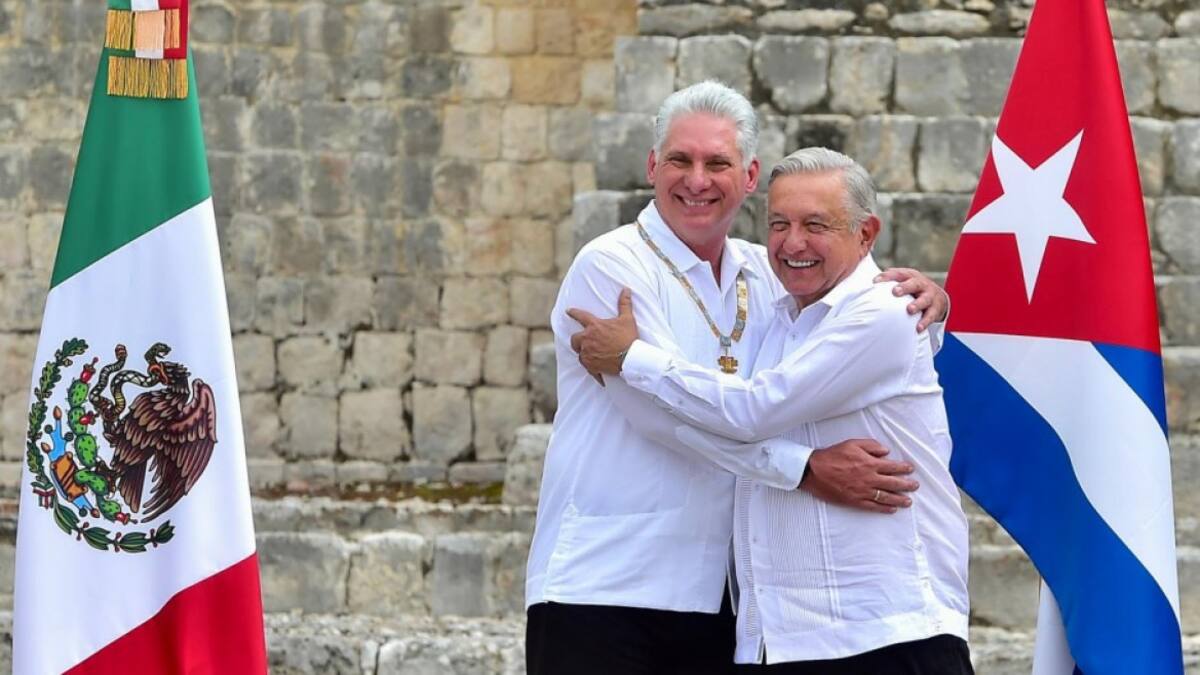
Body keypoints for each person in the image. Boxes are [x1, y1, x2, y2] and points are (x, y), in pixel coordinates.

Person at [524, 81, 949, 675]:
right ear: (652, 166)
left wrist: (928, 307)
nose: (697, 180)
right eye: (680, 159)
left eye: (717, 163)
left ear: (748, 177)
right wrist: (803, 470)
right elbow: (662, 421)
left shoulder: (769, 269)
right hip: (605, 584)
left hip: (723, 595)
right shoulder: (611, 266)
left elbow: (844, 321)